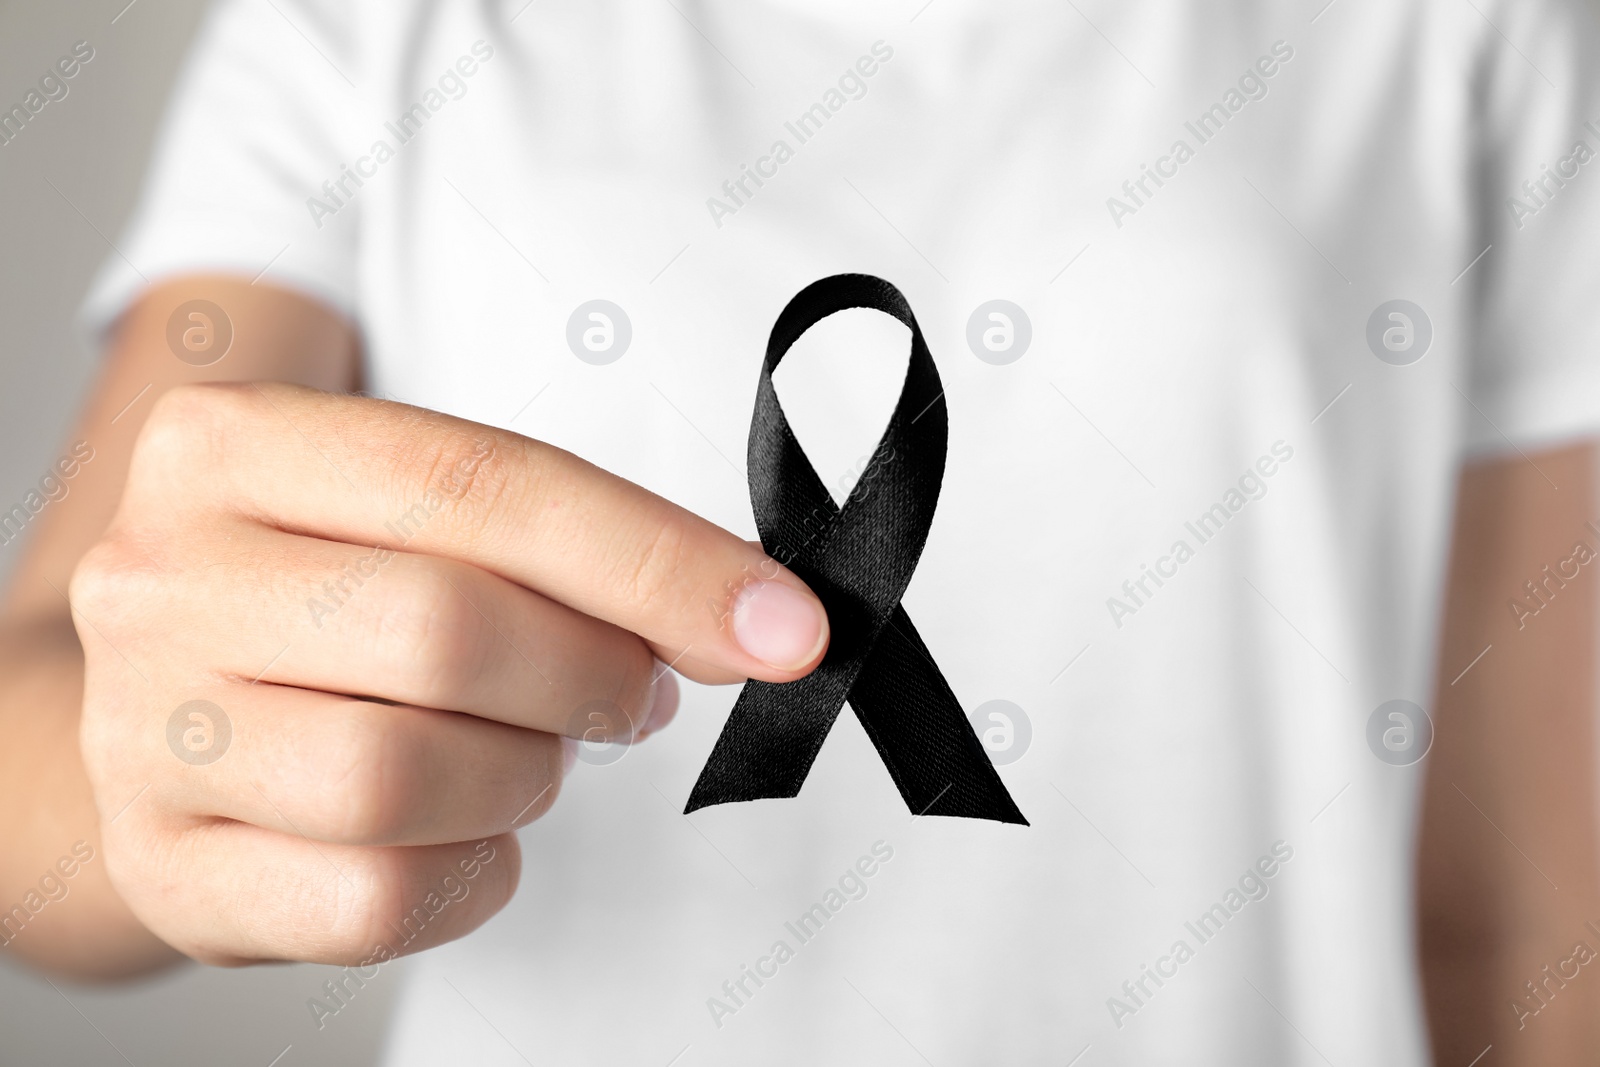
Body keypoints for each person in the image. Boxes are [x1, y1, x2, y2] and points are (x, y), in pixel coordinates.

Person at [3, 0, 1600, 1062]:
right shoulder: (357, 24)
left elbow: (1524, 913)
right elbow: (49, 718)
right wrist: (170, 759)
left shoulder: (1465, 32)